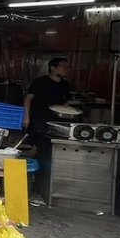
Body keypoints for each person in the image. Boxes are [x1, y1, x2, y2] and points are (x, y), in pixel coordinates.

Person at [23, 57, 71, 201]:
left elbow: (65, 103)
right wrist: (26, 117)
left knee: (46, 151)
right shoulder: (40, 82)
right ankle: (28, 177)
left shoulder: (65, 85)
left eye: (67, 67)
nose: (66, 70)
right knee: (36, 148)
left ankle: (40, 180)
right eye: (63, 67)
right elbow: (28, 99)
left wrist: (69, 109)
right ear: (53, 68)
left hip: (57, 122)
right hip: (39, 120)